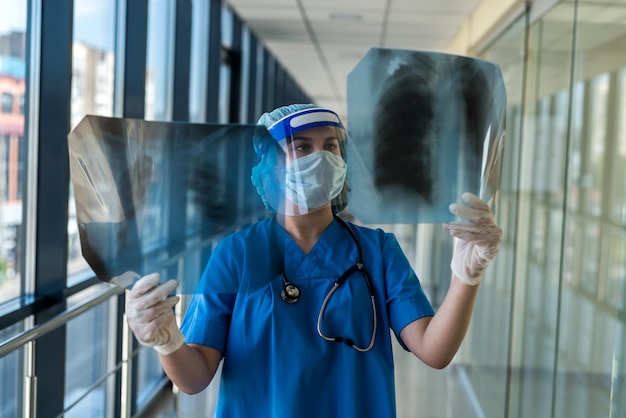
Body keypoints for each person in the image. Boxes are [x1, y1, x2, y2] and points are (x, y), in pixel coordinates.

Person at [125, 104, 502, 417]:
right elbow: (194, 380)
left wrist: (464, 277)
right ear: (269, 165)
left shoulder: (378, 251)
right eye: (301, 147)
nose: (321, 157)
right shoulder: (236, 254)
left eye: (332, 146)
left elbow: (434, 351)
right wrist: (168, 342)